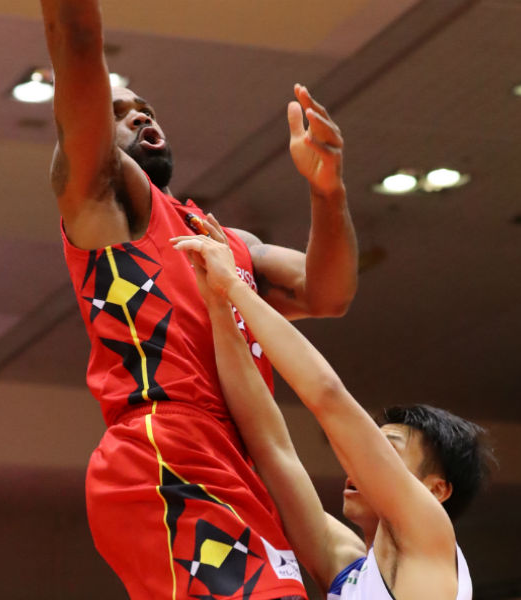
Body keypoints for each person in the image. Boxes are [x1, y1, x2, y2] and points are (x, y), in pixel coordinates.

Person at [38, 1, 358, 598]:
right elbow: (77, 40)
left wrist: (328, 192)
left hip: (246, 458)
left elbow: (328, 292)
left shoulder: (225, 244)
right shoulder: (105, 205)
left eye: (145, 109)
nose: (138, 115)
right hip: (166, 444)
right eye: (116, 112)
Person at [173, 224, 493, 600]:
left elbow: (328, 396)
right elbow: (269, 447)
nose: (359, 461)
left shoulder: (430, 538)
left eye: (388, 448)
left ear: (436, 489)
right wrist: (219, 306)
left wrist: (234, 286)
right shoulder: (345, 563)